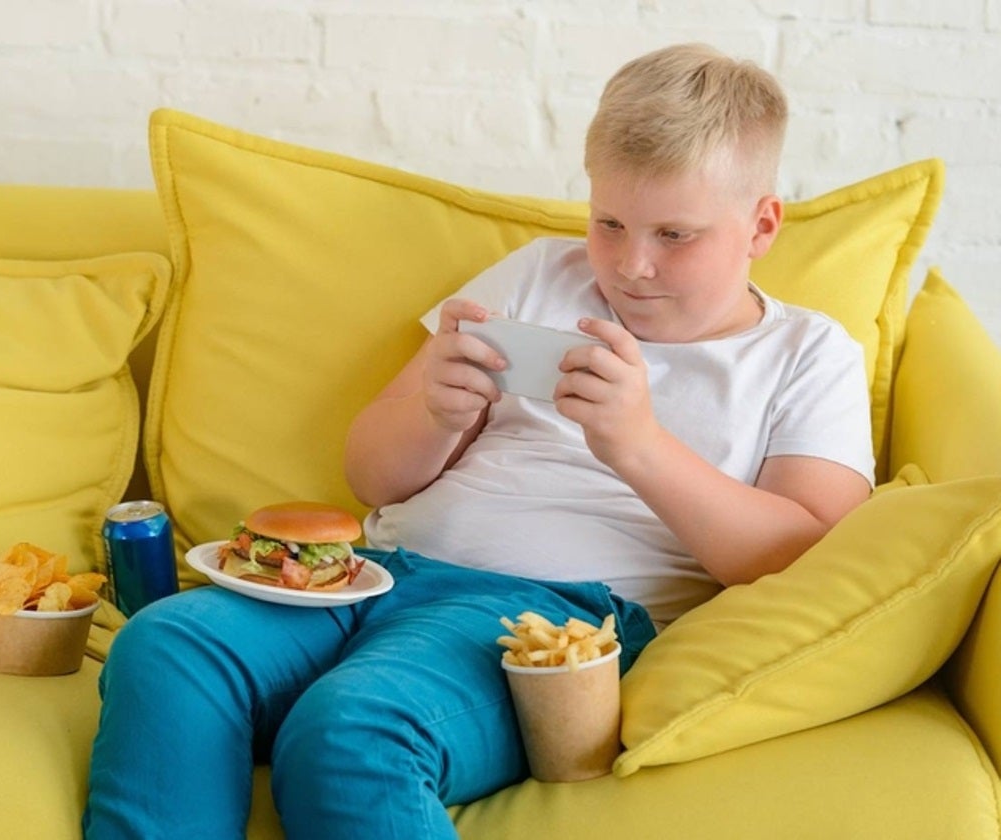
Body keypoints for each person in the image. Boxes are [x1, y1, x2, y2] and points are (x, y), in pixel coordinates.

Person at [83, 43, 874, 840]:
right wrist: (436, 413)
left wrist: (638, 444)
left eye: (675, 234)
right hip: (376, 576)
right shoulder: (539, 274)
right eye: (609, 223)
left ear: (761, 225)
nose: (633, 265)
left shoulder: (807, 353)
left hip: (552, 620)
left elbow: (800, 555)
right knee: (166, 644)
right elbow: (373, 479)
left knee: (352, 731)